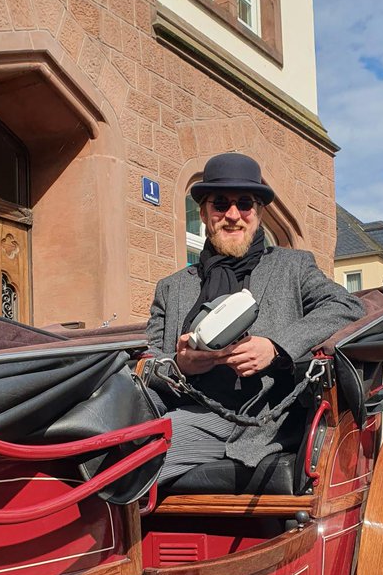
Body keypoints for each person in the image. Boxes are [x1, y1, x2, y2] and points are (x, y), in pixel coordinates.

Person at [146, 152, 365, 486]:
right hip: (197, 412)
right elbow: (149, 363)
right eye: (220, 204)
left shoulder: (293, 267)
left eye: (244, 204)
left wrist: (276, 348)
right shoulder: (172, 288)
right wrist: (180, 365)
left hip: (269, 417)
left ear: (259, 214)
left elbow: (346, 307)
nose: (233, 215)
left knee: (132, 460)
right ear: (204, 213)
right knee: (114, 454)